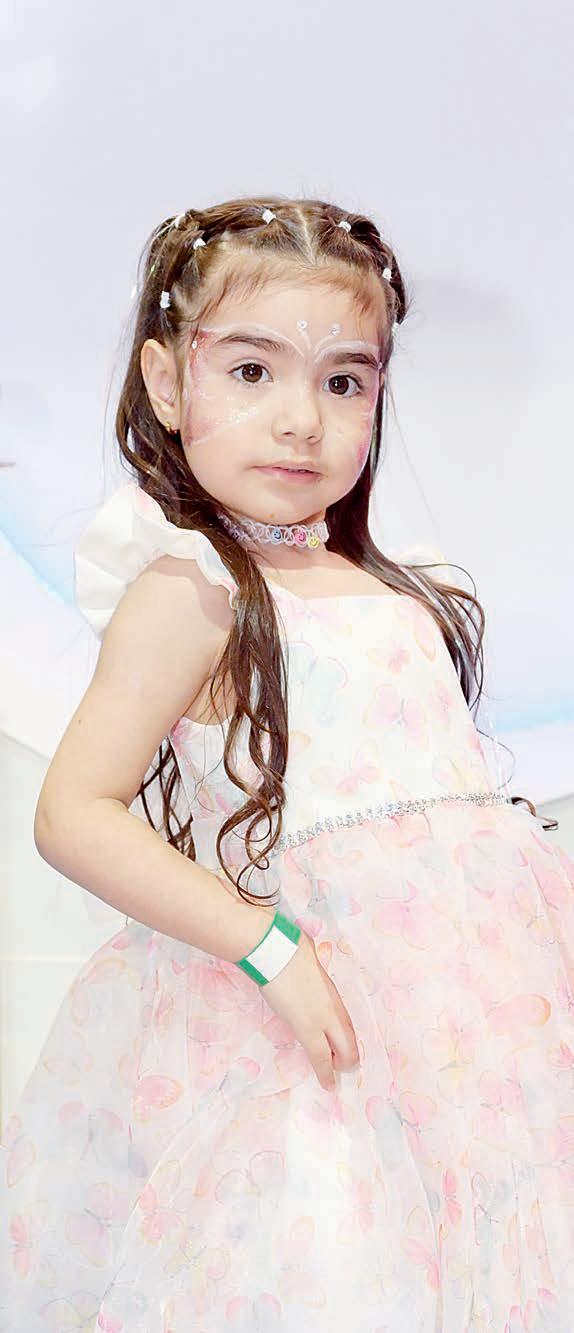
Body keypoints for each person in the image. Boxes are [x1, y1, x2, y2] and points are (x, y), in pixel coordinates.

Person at [2, 195, 574, 1332]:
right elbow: (74, 810)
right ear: (168, 384)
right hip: (305, 1041)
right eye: (253, 371)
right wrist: (269, 949)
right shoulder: (195, 590)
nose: (301, 421)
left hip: (472, 1044)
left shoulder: (403, 588)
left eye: (343, 381)